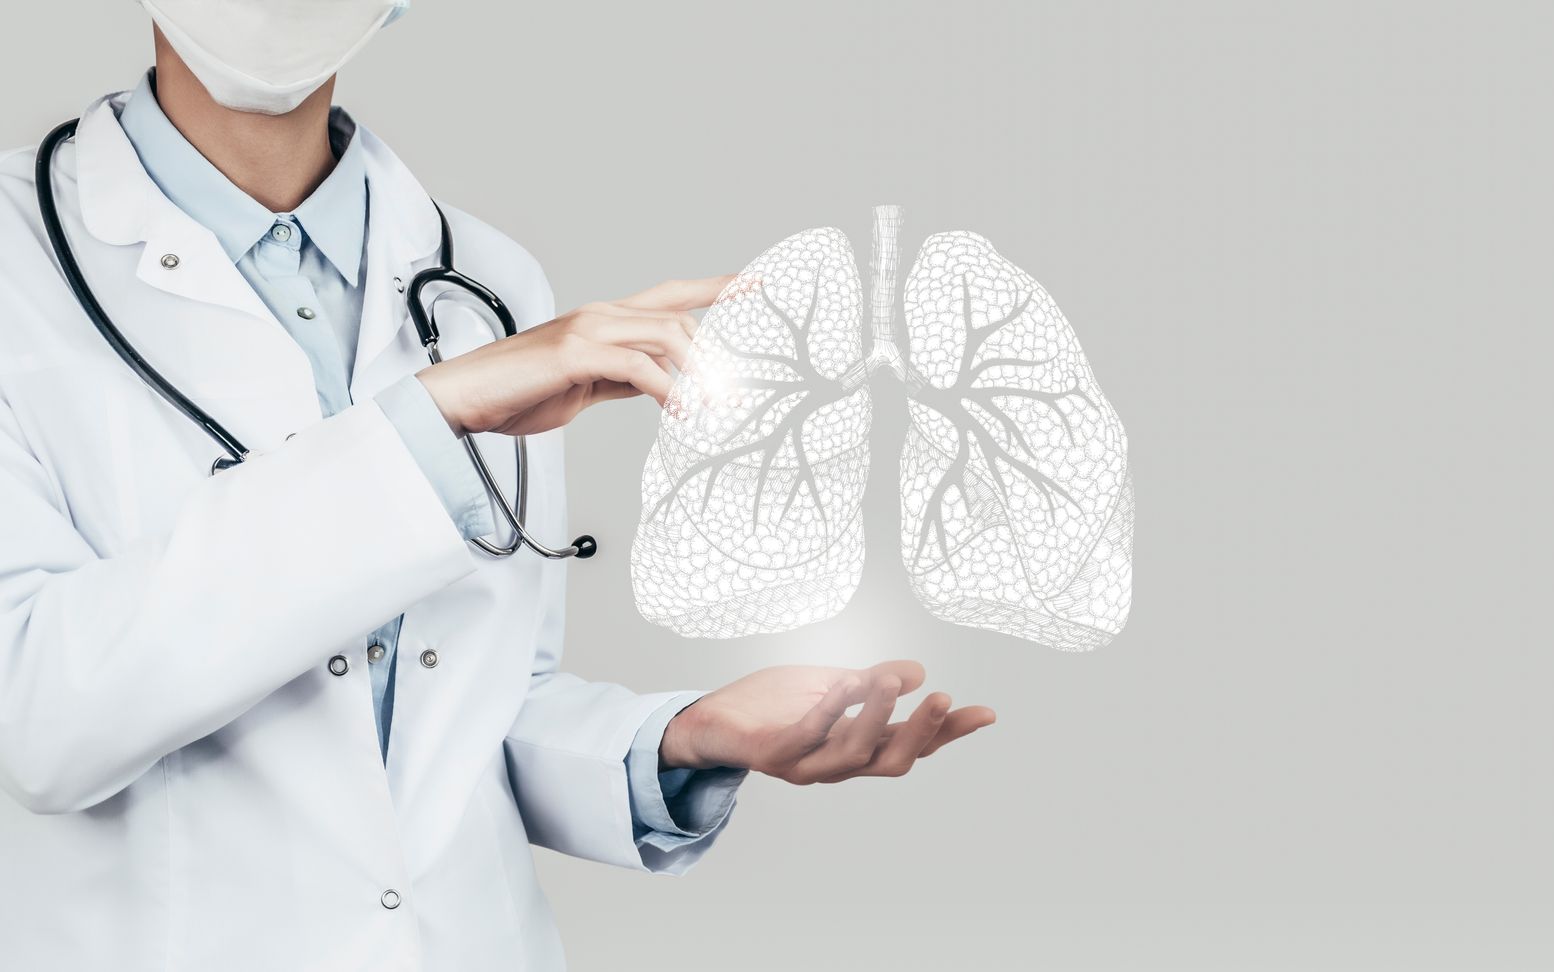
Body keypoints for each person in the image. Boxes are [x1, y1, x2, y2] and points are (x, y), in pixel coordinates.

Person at [0, 2, 993, 968]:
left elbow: (481, 706)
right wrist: (429, 419)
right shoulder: (20, 263)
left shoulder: (485, 280)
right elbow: (41, 714)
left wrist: (686, 739)